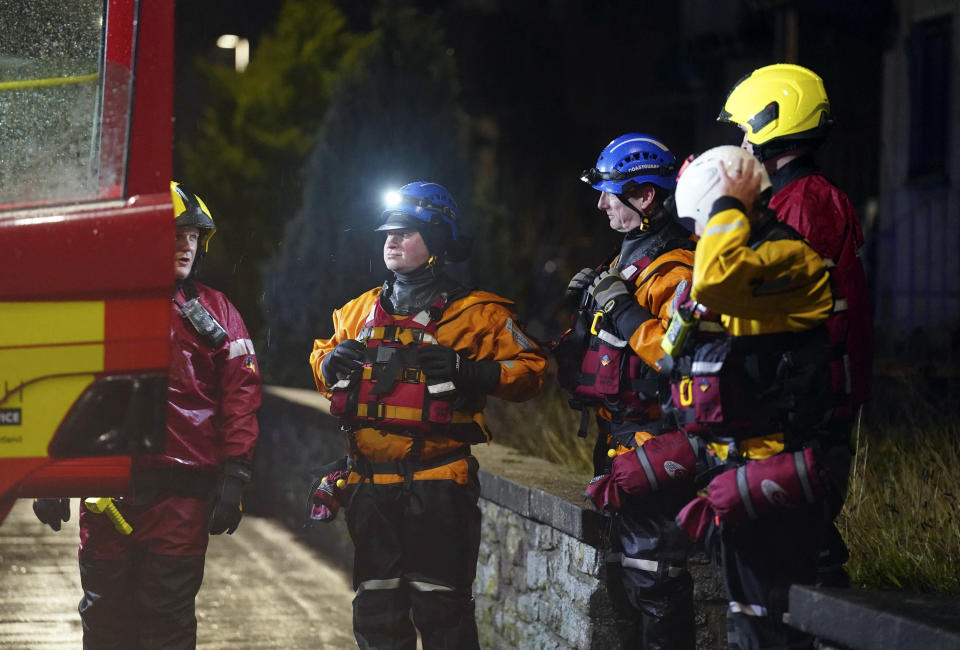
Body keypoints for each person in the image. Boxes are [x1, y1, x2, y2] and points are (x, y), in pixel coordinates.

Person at [308, 181, 546, 649]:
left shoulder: (478, 314)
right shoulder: (358, 312)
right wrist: (327, 364)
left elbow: (531, 371)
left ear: (437, 239)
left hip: (439, 485)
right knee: (377, 615)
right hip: (369, 488)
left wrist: (470, 371)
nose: (391, 241)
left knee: (443, 613)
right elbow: (321, 359)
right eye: (388, 233)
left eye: (407, 231)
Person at [33, 181, 262, 649]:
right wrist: (51, 477)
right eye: (174, 233)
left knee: (168, 623)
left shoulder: (218, 314)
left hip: (180, 499)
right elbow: (66, 392)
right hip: (107, 495)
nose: (185, 245)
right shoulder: (103, 306)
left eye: (193, 236)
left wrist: (236, 473)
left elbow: (240, 394)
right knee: (105, 619)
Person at [666, 145, 842, 650]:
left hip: (778, 473)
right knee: (749, 620)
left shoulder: (787, 256)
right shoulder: (741, 264)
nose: (701, 238)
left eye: (704, 223)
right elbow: (669, 354)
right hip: (736, 473)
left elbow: (717, 280)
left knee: (771, 626)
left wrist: (725, 204)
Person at [718, 62, 873, 585]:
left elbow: (779, 298)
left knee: (797, 541)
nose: (740, 141)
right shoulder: (796, 197)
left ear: (772, 122)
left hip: (807, 399)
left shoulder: (804, 202)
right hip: (801, 391)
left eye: (744, 128)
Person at [555, 133, 698, 650]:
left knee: (655, 580)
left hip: (656, 446)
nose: (600, 203)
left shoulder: (678, 269)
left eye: (609, 191)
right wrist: (577, 320)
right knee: (622, 583)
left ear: (644, 197)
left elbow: (674, 356)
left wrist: (622, 308)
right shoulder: (622, 266)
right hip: (615, 444)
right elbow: (591, 365)